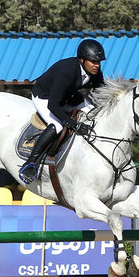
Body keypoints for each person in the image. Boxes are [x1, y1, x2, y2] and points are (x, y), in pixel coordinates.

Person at [19, 39, 106, 183]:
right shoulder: (67, 72)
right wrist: (74, 124)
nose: (97, 65)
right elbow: (53, 105)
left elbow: (101, 93)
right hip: (45, 97)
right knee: (57, 126)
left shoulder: (95, 71)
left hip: (68, 96)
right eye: (93, 62)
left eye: (99, 62)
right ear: (82, 59)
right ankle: (30, 163)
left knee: (93, 115)